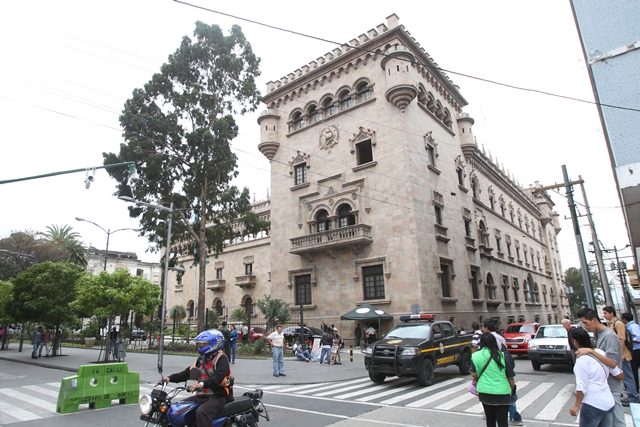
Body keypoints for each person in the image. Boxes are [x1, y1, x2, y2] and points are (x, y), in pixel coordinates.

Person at [162, 329, 231, 427]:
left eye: (204, 344)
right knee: (178, 409)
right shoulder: (202, 358)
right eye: (200, 344)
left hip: (218, 396)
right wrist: (170, 378)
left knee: (202, 412)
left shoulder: (221, 358)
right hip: (202, 396)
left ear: (215, 344)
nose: (201, 346)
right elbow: (187, 373)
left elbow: (218, 377)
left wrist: (201, 384)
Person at [576, 307, 626, 427]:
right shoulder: (599, 334)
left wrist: (591, 352)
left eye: (586, 323)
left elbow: (613, 363)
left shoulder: (609, 336)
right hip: (604, 387)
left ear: (594, 320)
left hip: (612, 386)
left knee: (617, 422)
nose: (585, 326)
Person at [569, 327, 615, 426]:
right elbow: (614, 368)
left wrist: (576, 406)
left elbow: (581, 387)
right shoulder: (600, 352)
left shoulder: (582, 360)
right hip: (608, 401)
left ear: (574, 341)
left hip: (592, 404)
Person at [481, 320, 522, 426]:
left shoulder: (490, 339)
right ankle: (515, 416)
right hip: (503, 365)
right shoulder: (500, 337)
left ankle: (515, 415)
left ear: (486, 328)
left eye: (483, 327)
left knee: (492, 418)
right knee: (508, 393)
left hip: (498, 366)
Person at [471, 333, 515, 427]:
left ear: (481, 343)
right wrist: (513, 389)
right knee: (502, 422)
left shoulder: (475, 356)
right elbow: (510, 377)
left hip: (485, 392)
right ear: (494, 342)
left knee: (490, 421)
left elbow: (473, 374)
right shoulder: (502, 356)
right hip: (502, 393)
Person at [603, 305, 639, 404]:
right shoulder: (611, 324)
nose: (604, 315)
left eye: (606, 313)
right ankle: (629, 395)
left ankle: (633, 397)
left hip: (623, 355)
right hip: (618, 355)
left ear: (611, 313)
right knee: (622, 376)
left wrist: (621, 354)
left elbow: (621, 339)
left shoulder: (618, 323)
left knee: (627, 376)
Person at [622, 312, 640, 393]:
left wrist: (629, 341)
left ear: (624, 319)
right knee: (633, 370)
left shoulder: (633, 326)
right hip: (635, 350)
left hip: (636, 350)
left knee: (634, 371)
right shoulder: (629, 326)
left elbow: (638, 337)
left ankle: (635, 389)